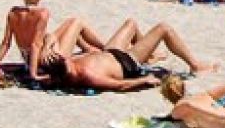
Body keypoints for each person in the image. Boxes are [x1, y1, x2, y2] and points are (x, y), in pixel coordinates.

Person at [37, 16, 210, 89]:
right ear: (65, 65)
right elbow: (120, 85)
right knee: (163, 28)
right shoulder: (87, 75)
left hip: (110, 53)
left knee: (131, 23)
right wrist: (145, 80)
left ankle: (151, 56)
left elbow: (50, 36)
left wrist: (48, 45)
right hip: (127, 62)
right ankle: (195, 65)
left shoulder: (61, 66)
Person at [0, 0, 52, 70]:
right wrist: (33, 73)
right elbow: (35, 44)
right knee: (75, 22)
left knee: (50, 36)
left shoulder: (13, 13)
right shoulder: (42, 13)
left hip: (27, 58)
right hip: (42, 58)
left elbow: (6, 43)